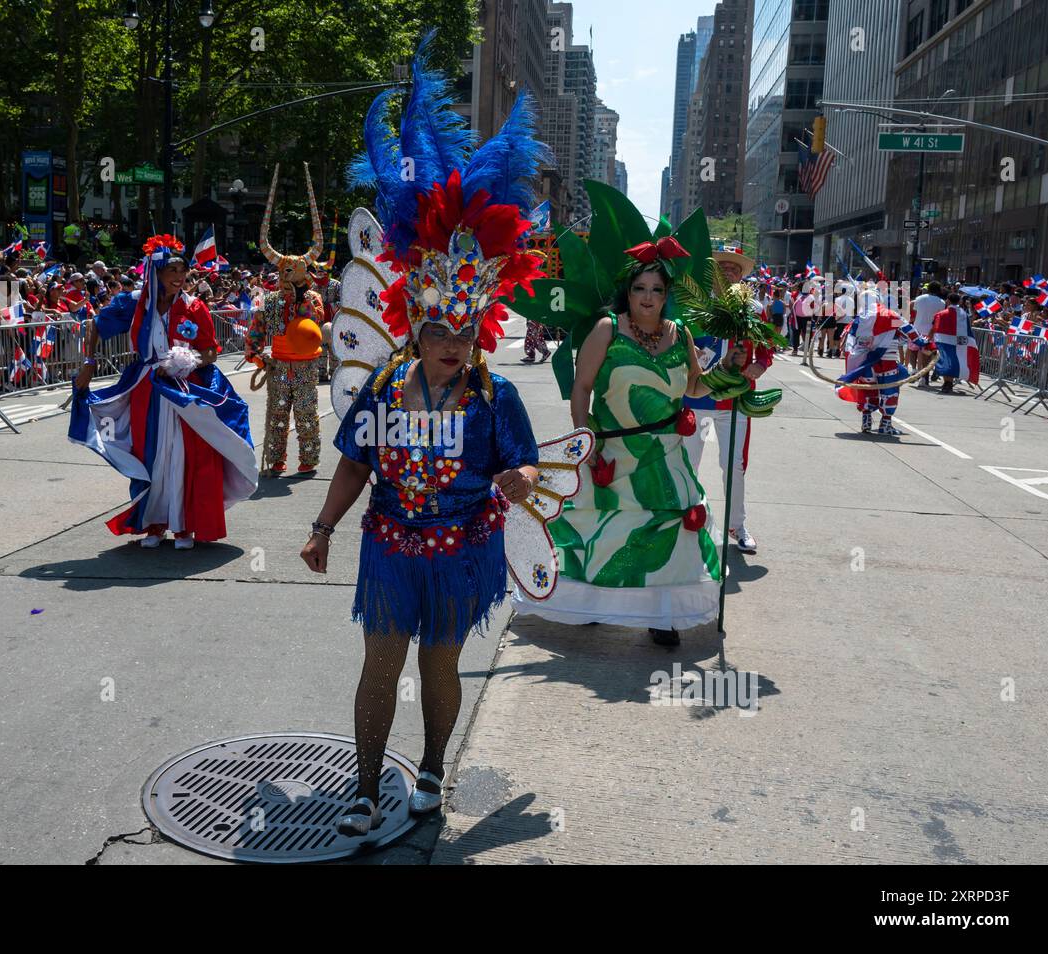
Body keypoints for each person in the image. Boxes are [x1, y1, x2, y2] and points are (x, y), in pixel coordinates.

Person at [300, 42, 543, 837]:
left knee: (439, 665)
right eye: (439, 328)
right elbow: (353, 463)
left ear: (479, 327)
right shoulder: (379, 387)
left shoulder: (495, 395)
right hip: (390, 548)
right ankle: (367, 790)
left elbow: (529, 465)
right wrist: (323, 527)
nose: (452, 342)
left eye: (465, 330)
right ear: (417, 322)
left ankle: (433, 768)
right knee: (379, 664)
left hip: (462, 547)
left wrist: (519, 480)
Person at [511, 238, 739, 645]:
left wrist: (730, 368)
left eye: (657, 290)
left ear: (667, 295)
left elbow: (696, 387)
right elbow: (582, 387)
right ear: (627, 292)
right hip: (611, 453)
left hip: (667, 454)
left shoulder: (679, 333)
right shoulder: (607, 330)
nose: (648, 298)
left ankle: (661, 617)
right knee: (606, 531)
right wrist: (585, 437)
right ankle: (595, 604)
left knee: (668, 532)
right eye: (639, 289)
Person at [70, 235, 256, 548]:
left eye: (183, 273)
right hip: (145, 389)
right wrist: (88, 364)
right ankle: (154, 523)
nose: (179, 278)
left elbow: (210, 350)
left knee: (183, 455)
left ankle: (183, 526)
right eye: (172, 272)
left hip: (184, 389)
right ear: (155, 274)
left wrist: (191, 360)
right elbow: (95, 325)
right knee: (150, 455)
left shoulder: (194, 306)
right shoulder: (134, 303)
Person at [682, 244, 774, 556]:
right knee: (686, 464)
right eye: (722, 267)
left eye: (734, 269)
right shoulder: (695, 306)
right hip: (695, 400)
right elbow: (680, 342)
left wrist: (760, 365)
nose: (728, 272)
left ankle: (737, 525)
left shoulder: (755, 309)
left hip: (734, 403)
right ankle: (686, 520)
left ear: (741, 276)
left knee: (733, 465)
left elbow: (766, 348)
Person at [245, 163, 326, 476]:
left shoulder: (314, 298)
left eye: (292, 271)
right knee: (277, 414)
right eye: (283, 271)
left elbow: (315, 323)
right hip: (278, 364)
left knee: (307, 412)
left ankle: (308, 459)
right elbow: (256, 332)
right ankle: (276, 460)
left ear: (304, 272)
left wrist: (302, 297)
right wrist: (256, 357)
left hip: (306, 365)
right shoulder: (269, 300)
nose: (286, 275)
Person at [835, 286, 929, 436]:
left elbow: (846, 342)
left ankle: (866, 421)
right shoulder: (889, 316)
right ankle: (885, 424)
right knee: (889, 391)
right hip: (887, 360)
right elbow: (908, 329)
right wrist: (924, 343)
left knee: (868, 389)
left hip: (865, 362)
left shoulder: (858, 320)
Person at [930, 291, 978, 394]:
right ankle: (948, 382)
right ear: (959, 301)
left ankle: (947, 383)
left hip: (943, 341)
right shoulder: (964, 314)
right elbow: (968, 328)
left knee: (945, 361)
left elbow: (934, 327)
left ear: (947, 300)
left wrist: (929, 338)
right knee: (955, 361)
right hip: (959, 342)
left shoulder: (940, 314)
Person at [911, 281, 944, 386]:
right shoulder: (942, 302)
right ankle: (924, 376)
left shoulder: (919, 298)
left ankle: (914, 370)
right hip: (931, 331)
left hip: (917, 329)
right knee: (927, 354)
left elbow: (915, 311)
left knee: (913, 350)